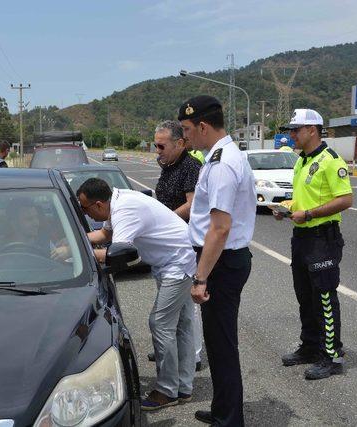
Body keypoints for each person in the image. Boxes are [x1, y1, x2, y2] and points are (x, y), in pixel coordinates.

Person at [77, 178, 196, 411]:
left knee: (160, 323)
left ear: (99, 205)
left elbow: (120, 253)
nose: (85, 212)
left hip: (178, 264)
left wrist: (77, 252)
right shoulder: (117, 202)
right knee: (181, 324)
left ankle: (167, 390)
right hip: (174, 261)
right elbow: (103, 235)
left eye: (85, 208)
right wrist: (74, 239)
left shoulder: (125, 210)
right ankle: (183, 387)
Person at [179, 95, 256, 426]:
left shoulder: (223, 163)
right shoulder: (217, 157)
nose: (185, 137)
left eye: (186, 130)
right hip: (221, 261)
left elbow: (220, 229)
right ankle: (224, 407)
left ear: (203, 126)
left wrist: (200, 278)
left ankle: (229, 419)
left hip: (221, 263)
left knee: (222, 345)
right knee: (217, 341)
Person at [274, 108, 353, 380]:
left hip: (322, 238)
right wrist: (286, 207)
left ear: (312, 130)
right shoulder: (302, 161)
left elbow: (345, 199)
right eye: (291, 130)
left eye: (296, 130)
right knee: (304, 296)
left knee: (323, 297)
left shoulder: (331, 160)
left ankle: (331, 355)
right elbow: (302, 199)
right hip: (302, 238)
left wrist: (308, 214)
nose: (291, 135)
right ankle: (309, 346)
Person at [151, 119, 204, 372]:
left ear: (180, 143)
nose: (157, 151)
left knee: (187, 308)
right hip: (167, 248)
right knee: (170, 303)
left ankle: (191, 356)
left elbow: (193, 205)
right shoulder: (168, 165)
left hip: (185, 246)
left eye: (161, 146)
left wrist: (164, 222)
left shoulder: (190, 167)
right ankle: (169, 348)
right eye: (155, 146)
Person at [5, 198, 70, 261]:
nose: (36, 223)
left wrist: (68, 250)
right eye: (29, 219)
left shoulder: (47, 241)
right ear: (14, 224)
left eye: (36, 217)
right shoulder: (3, 249)